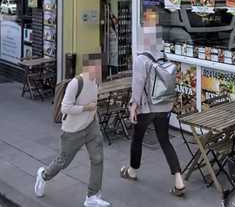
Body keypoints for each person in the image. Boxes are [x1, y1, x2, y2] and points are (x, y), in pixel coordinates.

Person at [34, 55, 110, 207]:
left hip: (91, 126)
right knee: (63, 162)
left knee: (98, 159)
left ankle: (92, 196)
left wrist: (93, 113)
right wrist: (86, 108)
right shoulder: (76, 83)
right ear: (87, 67)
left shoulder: (96, 81)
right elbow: (65, 108)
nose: (99, 70)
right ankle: (43, 175)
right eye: (96, 67)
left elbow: (93, 100)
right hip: (73, 131)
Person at [120, 39, 185, 197]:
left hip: (147, 107)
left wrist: (133, 106)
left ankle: (132, 171)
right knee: (164, 140)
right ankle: (179, 180)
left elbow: (137, 85)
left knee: (137, 138)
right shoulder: (162, 56)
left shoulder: (141, 59)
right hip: (164, 105)